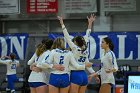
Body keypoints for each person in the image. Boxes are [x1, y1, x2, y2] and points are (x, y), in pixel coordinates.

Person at [58, 14, 100, 93]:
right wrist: (90, 23)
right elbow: (88, 33)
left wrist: (62, 24)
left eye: (74, 41)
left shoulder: (75, 48)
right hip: (83, 75)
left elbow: (66, 36)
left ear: (76, 42)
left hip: (75, 75)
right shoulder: (86, 48)